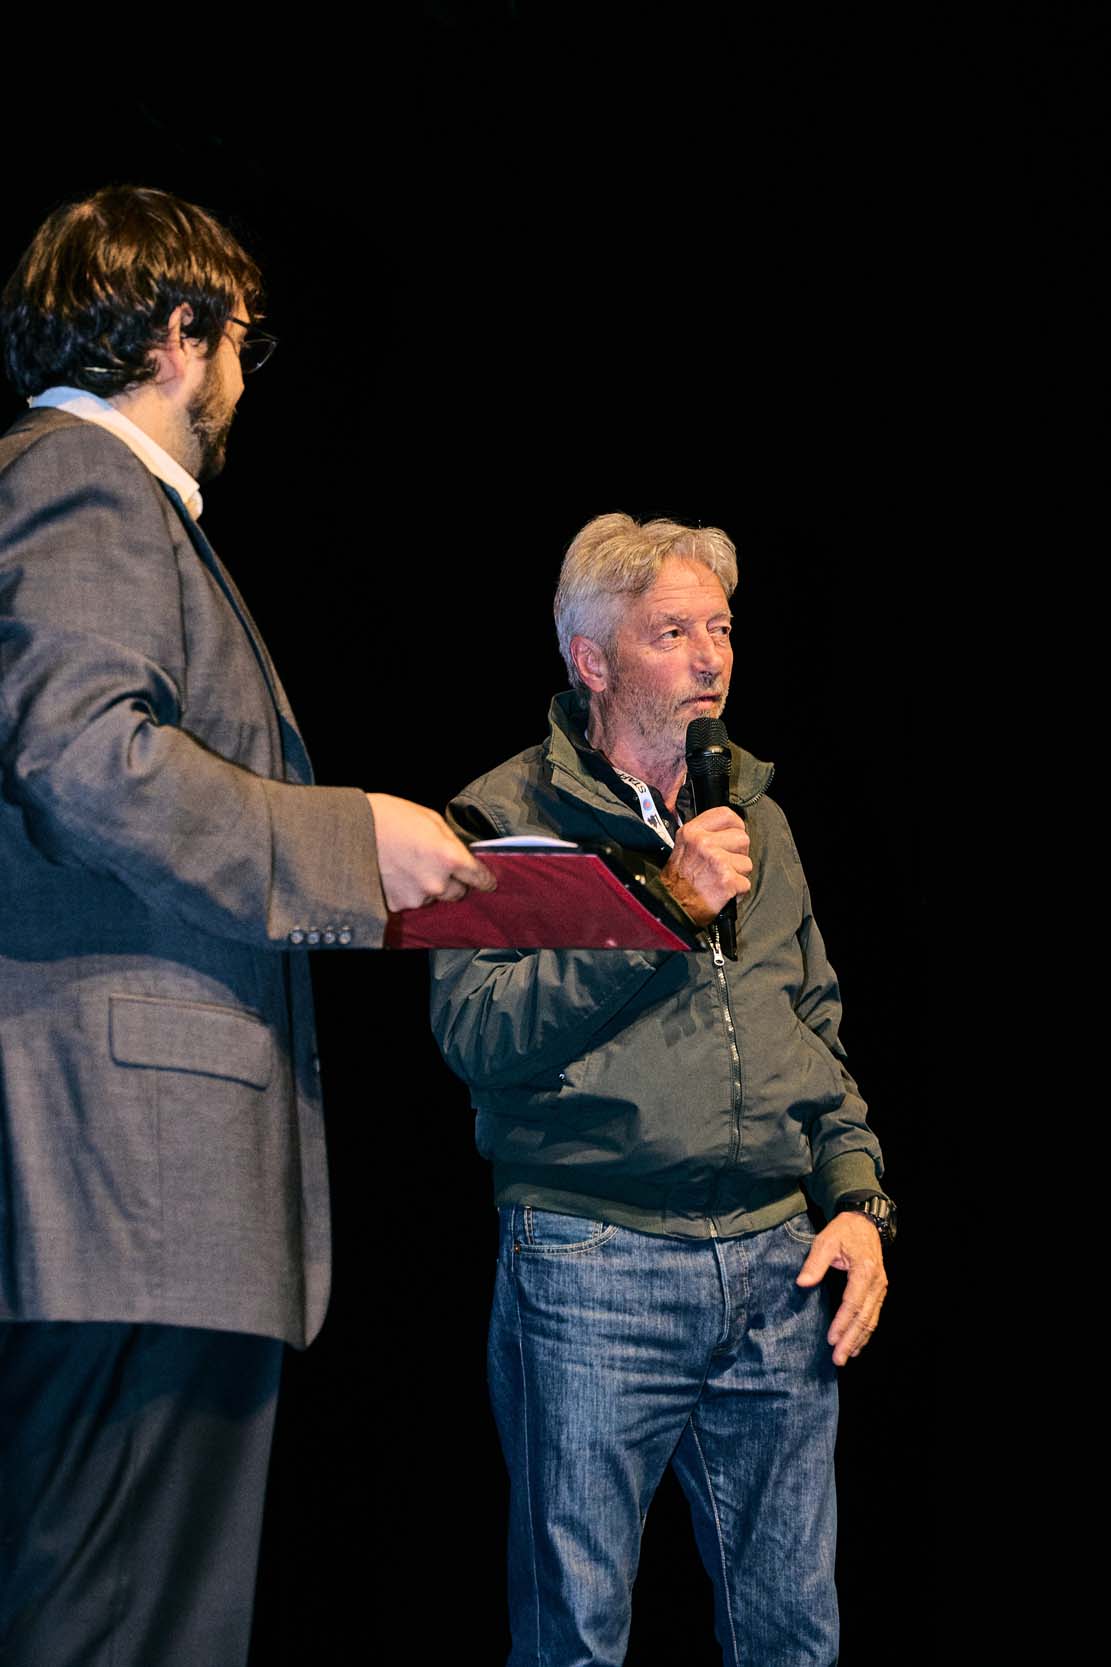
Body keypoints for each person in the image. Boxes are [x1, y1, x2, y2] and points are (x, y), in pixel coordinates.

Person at [0, 185, 493, 1666]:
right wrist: (352, 837)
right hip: (130, 1187)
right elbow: (85, 759)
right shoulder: (82, 481)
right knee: (122, 1622)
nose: (237, 385)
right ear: (180, 330)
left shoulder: (92, 496)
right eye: (239, 345)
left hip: (136, 1200)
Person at [429, 512, 894, 1667]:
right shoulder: (504, 817)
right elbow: (477, 1032)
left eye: (720, 628)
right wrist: (658, 911)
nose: (709, 658)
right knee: (575, 1636)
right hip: (594, 1262)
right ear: (591, 659)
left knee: (794, 1631)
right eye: (672, 632)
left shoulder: (757, 818)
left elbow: (812, 1025)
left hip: (777, 1268)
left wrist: (854, 1199)